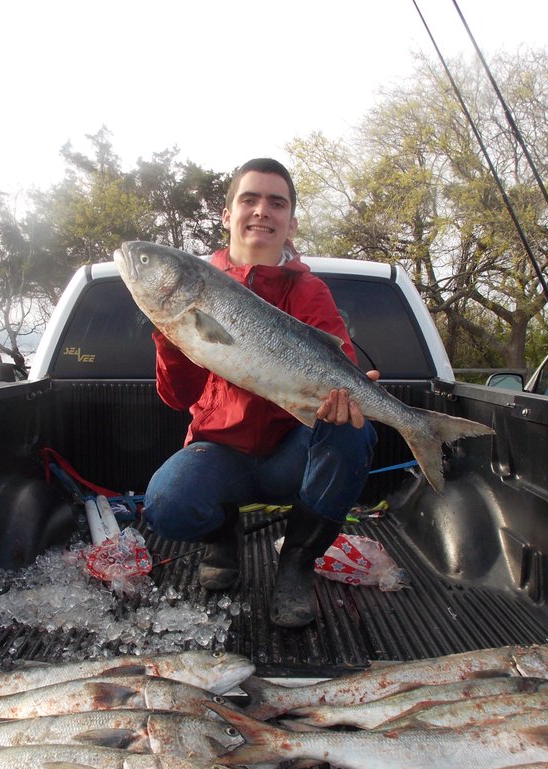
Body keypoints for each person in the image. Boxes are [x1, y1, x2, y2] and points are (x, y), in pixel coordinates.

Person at [142, 158, 378, 627]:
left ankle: (296, 566)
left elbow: (337, 370)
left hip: (291, 455)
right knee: (166, 504)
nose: (261, 211)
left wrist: (349, 395)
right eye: (249, 199)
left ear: (290, 222)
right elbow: (175, 397)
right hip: (220, 452)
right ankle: (221, 538)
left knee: (355, 429)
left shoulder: (310, 292)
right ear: (228, 215)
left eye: (276, 202)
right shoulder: (193, 286)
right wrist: (170, 338)